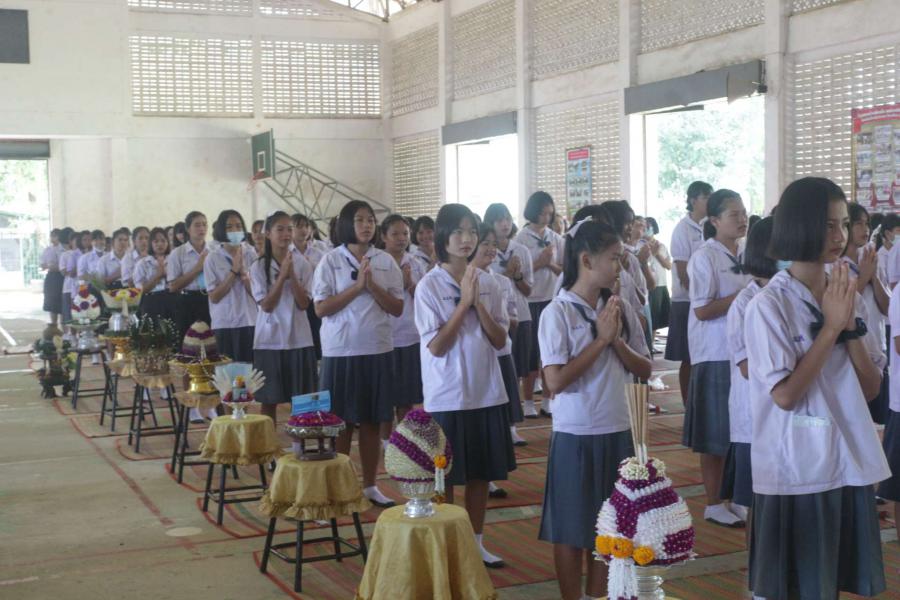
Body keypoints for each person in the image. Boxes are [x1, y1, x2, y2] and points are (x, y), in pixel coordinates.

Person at [746, 177, 889, 599]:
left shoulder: (846, 293)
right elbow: (786, 396)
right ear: (798, 225)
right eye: (828, 225)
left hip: (846, 456)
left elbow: (871, 388)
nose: (839, 236)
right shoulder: (768, 305)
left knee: (831, 585)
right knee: (795, 588)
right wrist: (829, 329)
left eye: (843, 224)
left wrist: (847, 327)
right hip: (795, 465)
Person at [538, 219, 652, 600]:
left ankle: (599, 595)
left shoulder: (619, 308)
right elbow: (555, 381)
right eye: (614, 258)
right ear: (586, 260)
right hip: (576, 433)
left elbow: (645, 368)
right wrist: (600, 342)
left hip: (618, 428)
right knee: (571, 530)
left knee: (613, 528)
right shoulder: (558, 313)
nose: (620, 265)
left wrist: (616, 342)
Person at [415, 203, 515, 568]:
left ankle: (475, 543)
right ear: (443, 237)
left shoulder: (490, 282)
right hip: (447, 395)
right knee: (445, 476)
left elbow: (501, 341)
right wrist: (463, 305)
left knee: (480, 474)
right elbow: (437, 346)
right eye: (458, 231)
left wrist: (479, 305)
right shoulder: (429, 286)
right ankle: (447, 544)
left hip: (486, 391)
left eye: (472, 231)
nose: (466, 239)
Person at [313, 200, 404, 508]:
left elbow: (397, 307)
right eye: (360, 220)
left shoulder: (384, 260)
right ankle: (339, 486)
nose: (366, 225)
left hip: (377, 348)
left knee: (371, 421)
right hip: (340, 350)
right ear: (347, 225)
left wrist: (372, 286)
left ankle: (369, 485)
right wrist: (357, 288)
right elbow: (321, 308)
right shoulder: (330, 261)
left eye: (370, 220)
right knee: (340, 422)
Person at [684, 189, 750, 527]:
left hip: (742, 351)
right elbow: (702, 309)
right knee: (714, 433)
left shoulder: (746, 252)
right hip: (713, 353)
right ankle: (713, 502)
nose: (742, 219)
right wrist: (741, 297)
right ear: (714, 220)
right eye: (734, 214)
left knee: (738, 426)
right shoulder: (704, 257)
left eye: (743, 212)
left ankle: (735, 497)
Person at [721, 216, 777, 538]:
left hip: (787, 414)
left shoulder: (793, 293)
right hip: (753, 417)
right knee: (757, 502)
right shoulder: (744, 303)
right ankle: (757, 567)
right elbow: (746, 368)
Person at [250, 211, 317, 427]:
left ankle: (300, 442)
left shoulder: (303, 264)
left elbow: (304, 304)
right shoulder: (258, 266)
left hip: (299, 338)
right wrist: (282, 276)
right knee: (269, 399)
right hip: (269, 339)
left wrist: (292, 275)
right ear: (268, 233)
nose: (286, 234)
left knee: (302, 398)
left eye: (289, 229)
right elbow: (267, 305)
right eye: (280, 229)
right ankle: (268, 442)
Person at [835, 203, 891, 425]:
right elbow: (841, 306)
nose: (865, 229)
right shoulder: (836, 265)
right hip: (855, 351)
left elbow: (887, 307)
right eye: (858, 223)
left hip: (877, 346)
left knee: (879, 420)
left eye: (867, 223)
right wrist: (864, 276)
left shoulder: (871, 259)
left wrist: (873, 275)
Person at [483, 204, 532, 438]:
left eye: (507, 219)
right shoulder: (484, 255)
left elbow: (528, 289)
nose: (505, 224)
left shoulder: (521, 250)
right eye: (499, 220)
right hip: (491, 323)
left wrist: (517, 275)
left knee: (516, 370)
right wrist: (507, 273)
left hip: (519, 314)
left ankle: (512, 426)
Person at [516, 191, 564, 418]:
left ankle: (547, 400)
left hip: (551, 300)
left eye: (550, 213)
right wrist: (539, 262)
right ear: (533, 212)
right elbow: (518, 273)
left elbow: (564, 270)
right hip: (529, 300)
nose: (546, 217)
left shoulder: (555, 238)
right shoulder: (521, 239)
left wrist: (550, 264)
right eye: (543, 213)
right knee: (530, 354)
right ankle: (528, 401)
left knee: (549, 352)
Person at [379, 214, 425, 444]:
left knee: (407, 396)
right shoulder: (376, 262)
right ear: (383, 237)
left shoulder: (415, 263)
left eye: (405, 233)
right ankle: (385, 440)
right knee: (385, 397)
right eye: (395, 234)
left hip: (410, 335)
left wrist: (410, 285)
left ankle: (404, 440)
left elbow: (425, 298)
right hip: (383, 337)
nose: (401, 238)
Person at [666, 181, 712, 405]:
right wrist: (700, 297)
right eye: (706, 197)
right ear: (693, 200)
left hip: (707, 301)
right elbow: (683, 271)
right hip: (687, 301)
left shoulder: (710, 225)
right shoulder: (682, 229)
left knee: (705, 354)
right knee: (688, 356)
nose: (710, 201)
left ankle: (701, 402)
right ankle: (687, 405)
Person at [206, 210, 257, 363]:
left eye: (238, 226)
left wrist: (244, 274)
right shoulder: (213, 258)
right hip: (224, 323)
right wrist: (234, 271)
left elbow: (257, 294)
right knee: (227, 371)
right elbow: (214, 297)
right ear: (221, 230)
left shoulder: (251, 254)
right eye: (229, 227)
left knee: (250, 370)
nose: (235, 230)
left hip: (249, 321)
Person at [167, 211, 211, 336]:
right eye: (197, 225)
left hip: (211, 298)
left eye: (204, 224)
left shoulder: (214, 251)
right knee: (189, 341)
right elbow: (173, 286)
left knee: (211, 340)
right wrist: (197, 268)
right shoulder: (178, 253)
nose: (202, 228)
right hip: (188, 301)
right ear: (188, 229)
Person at [290, 213, 325, 360]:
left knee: (315, 336)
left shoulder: (319, 253)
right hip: (296, 299)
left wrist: (310, 265)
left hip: (315, 300)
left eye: (306, 226)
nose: (304, 230)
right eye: (298, 226)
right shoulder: (287, 253)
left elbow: (325, 276)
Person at [133, 227, 172, 323]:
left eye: (163, 241)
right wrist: (158, 276)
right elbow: (140, 290)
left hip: (172, 299)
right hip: (151, 302)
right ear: (150, 243)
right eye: (156, 241)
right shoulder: (142, 263)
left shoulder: (173, 260)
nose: (160, 244)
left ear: (168, 243)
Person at [644, 216, 672, 341]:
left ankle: (652, 343)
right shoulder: (640, 245)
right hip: (647, 285)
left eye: (648, 226)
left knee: (656, 317)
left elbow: (669, 266)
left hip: (660, 284)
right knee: (649, 316)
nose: (646, 229)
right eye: (644, 226)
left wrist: (657, 254)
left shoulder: (661, 246)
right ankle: (648, 343)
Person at [40, 228, 65, 326]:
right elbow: (42, 264)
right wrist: (49, 266)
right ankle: (53, 326)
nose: (52, 238)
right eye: (51, 236)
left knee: (62, 304)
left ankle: (64, 328)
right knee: (51, 303)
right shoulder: (47, 249)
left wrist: (56, 266)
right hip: (51, 277)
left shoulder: (63, 249)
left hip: (62, 277)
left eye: (55, 236)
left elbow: (63, 266)